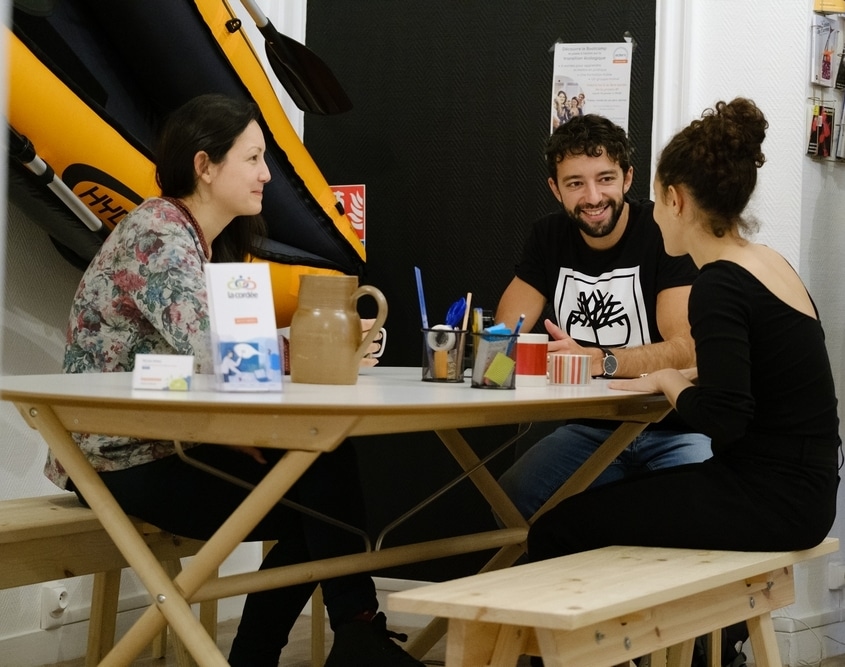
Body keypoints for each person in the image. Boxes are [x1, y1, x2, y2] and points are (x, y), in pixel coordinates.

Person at [46, 93, 424, 667]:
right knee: (321, 502)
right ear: (205, 165)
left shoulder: (202, 242)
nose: (267, 175)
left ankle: (348, 633)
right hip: (116, 457)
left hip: (164, 438)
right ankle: (346, 634)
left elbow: (198, 363)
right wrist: (319, 347)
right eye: (252, 159)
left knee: (323, 470)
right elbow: (212, 351)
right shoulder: (157, 235)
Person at [529, 97, 840, 558]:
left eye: (657, 199)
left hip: (770, 500)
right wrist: (688, 375)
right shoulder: (767, 262)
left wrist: (669, 379)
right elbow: (766, 375)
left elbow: (724, 417)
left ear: (675, 200)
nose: (652, 213)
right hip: (805, 493)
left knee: (555, 529)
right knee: (610, 507)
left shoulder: (719, 283)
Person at [495, 113, 711, 521]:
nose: (593, 197)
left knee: (703, 515)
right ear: (555, 189)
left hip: (673, 426)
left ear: (628, 179)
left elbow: (687, 350)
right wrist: (494, 360)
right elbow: (507, 334)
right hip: (588, 429)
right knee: (512, 500)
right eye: (575, 183)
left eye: (605, 179)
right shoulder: (548, 237)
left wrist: (603, 359)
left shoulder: (663, 233)